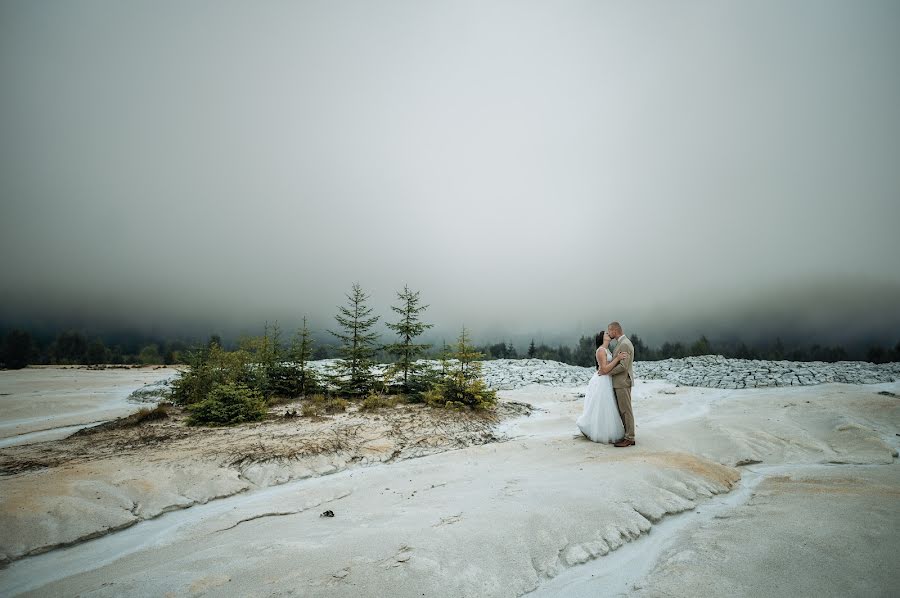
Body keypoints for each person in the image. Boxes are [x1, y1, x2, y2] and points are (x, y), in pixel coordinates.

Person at [576, 331, 626, 443]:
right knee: (601, 406)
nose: (609, 335)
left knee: (607, 406)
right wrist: (617, 359)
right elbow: (604, 369)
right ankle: (597, 430)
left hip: (607, 379)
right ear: (602, 338)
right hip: (601, 381)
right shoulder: (601, 350)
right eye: (607, 334)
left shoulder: (607, 350)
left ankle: (606, 430)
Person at [607, 321, 636, 447]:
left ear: (615, 330)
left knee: (626, 410)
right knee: (622, 410)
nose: (608, 333)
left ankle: (630, 437)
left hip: (623, 382)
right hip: (619, 382)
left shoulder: (624, 344)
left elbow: (623, 366)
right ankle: (627, 436)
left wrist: (608, 372)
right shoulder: (621, 343)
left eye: (609, 331)